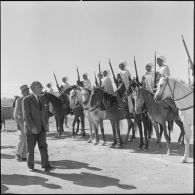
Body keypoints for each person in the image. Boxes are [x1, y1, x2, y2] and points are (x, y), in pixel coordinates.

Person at [22, 81, 54, 172]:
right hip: (31, 129)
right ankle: (30, 166)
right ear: (34, 88)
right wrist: (32, 127)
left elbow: (45, 113)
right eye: (40, 87)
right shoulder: (26, 99)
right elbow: (26, 115)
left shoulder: (43, 98)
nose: (42, 88)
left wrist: (46, 123)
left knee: (43, 147)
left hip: (42, 128)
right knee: (31, 149)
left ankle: (46, 165)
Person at [13, 84, 30, 162]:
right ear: (22, 92)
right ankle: (18, 154)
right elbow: (15, 114)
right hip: (22, 121)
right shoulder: (19, 100)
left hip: (29, 121)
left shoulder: (29, 98)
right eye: (26, 90)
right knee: (22, 138)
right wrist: (18, 123)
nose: (28, 91)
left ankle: (24, 156)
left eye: (28, 90)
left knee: (27, 138)